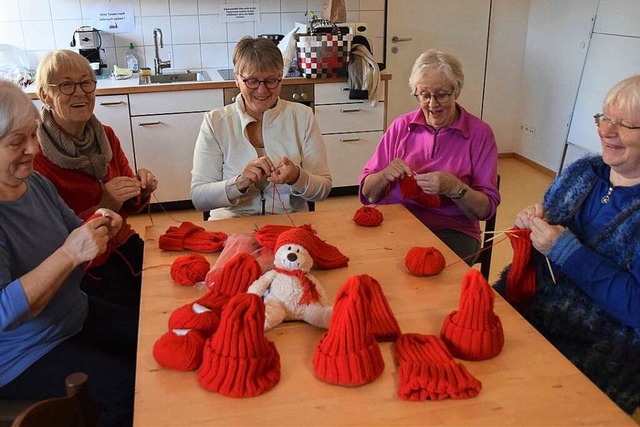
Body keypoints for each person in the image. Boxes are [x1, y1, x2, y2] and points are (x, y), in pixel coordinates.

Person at [494, 74, 640, 414]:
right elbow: (542, 249)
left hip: (595, 347)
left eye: (625, 125)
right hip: (528, 312)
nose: (606, 131)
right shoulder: (582, 172)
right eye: (604, 118)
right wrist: (532, 225)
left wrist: (567, 252)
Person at [0, 80, 137, 426]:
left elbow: (76, 235)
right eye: (18, 142)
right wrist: (69, 254)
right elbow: (3, 313)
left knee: (156, 341)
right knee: (125, 390)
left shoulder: (36, 185)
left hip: (73, 314)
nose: (33, 149)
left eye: (33, 135)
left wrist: (103, 219)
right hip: (23, 354)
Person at [33, 50, 158, 308]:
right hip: (85, 266)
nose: (80, 92)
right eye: (66, 85)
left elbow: (130, 204)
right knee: (139, 323)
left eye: (86, 82)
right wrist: (104, 205)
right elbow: (53, 244)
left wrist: (141, 190)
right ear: (45, 95)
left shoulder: (106, 136)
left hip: (122, 242)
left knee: (168, 295)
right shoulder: (36, 157)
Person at [359, 49, 500, 264]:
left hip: (452, 230)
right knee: (369, 264)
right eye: (424, 95)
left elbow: (485, 209)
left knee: (426, 277)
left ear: (457, 91)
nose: (432, 104)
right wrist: (385, 174)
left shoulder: (479, 134)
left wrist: (455, 188)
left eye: (441, 94)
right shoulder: (401, 126)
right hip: (395, 223)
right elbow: (368, 194)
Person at [191, 36, 332, 219]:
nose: (262, 90)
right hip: (230, 226)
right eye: (252, 81)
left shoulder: (302, 117)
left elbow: (323, 190)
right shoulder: (216, 122)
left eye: (271, 80)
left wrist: (297, 177)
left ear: (281, 78)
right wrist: (239, 183)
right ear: (237, 80)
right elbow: (199, 198)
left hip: (290, 225)